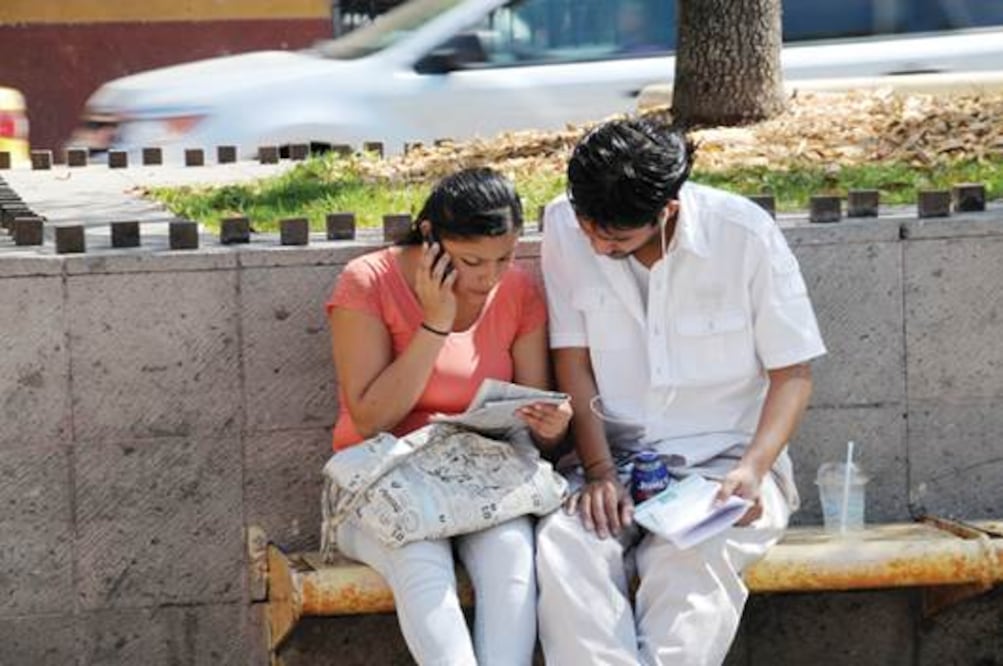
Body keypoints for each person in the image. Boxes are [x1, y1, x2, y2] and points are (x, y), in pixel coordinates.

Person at [535, 118, 826, 665]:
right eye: (587, 226)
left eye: (615, 237)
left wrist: (753, 470)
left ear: (667, 210)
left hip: (724, 468)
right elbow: (571, 361)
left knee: (689, 562)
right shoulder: (562, 225)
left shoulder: (743, 235)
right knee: (565, 546)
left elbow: (793, 373)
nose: (595, 244)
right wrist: (598, 472)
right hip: (610, 460)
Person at [325, 167, 572, 666]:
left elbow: (532, 417)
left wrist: (552, 427)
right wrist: (434, 324)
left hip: (482, 481)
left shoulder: (518, 291)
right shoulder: (367, 281)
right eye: (471, 261)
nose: (489, 277)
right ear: (430, 238)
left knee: (513, 562)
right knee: (423, 568)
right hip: (384, 485)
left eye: (503, 258)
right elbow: (371, 417)